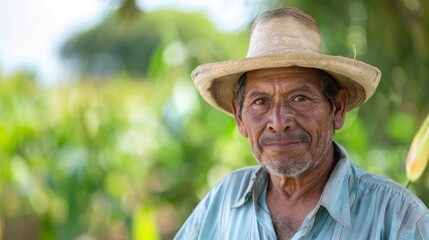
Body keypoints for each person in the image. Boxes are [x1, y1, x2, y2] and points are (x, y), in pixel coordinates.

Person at [175, 7, 429, 239]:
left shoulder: (399, 219)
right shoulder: (222, 203)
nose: (278, 122)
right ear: (240, 117)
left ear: (337, 109)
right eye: (260, 101)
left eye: (300, 98)